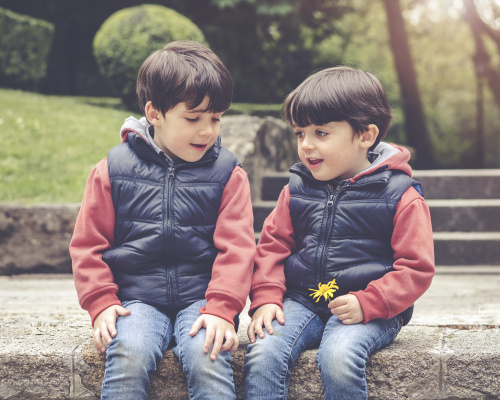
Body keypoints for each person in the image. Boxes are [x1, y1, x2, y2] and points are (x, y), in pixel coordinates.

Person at [69, 40, 256, 400]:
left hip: (205, 300)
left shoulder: (228, 173)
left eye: (215, 118)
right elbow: (88, 244)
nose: (207, 131)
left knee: (209, 352)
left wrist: (222, 308)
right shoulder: (113, 170)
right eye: (193, 118)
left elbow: (238, 249)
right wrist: (102, 302)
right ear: (154, 113)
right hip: (136, 299)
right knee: (129, 351)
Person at [244, 66, 435, 400]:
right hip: (303, 300)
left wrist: (370, 301)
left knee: (337, 356)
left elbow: (416, 268)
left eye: (321, 133)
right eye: (299, 133)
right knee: (263, 352)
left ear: (365, 135)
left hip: (371, 308)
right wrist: (266, 298)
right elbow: (273, 245)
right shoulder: (298, 188)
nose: (306, 145)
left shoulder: (401, 195)